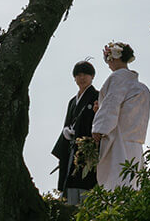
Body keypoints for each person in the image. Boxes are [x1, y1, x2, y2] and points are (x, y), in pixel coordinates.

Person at [91, 41, 150, 190]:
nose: (108, 63)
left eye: (108, 59)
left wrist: (98, 129)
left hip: (119, 138)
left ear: (115, 57)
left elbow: (111, 104)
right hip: (135, 140)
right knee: (134, 179)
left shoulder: (118, 78)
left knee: (116, 180)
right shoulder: (143, 88)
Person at [50, 60, 99, 205]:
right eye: (78, 75)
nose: (82, 78)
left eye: (85, 74)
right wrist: (66, 130)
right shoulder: (72, 101)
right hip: (71, 148)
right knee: (70, 182)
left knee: (86, 184)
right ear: (74, 78)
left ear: (92, 76)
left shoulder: (97, 96)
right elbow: (67, 122)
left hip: (88, 148)